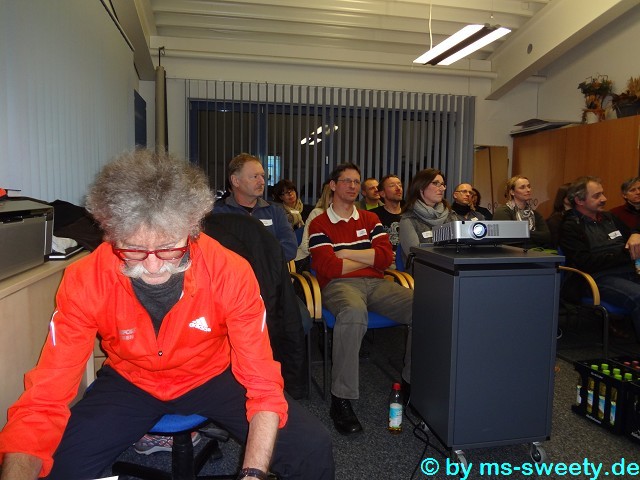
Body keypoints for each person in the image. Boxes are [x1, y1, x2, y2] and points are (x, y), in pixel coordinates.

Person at [0, 150, 334, 480]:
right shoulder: (86, 279)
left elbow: (262, 383)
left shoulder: (229, 271)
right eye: (133, 249)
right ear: (111, 234)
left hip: (213, 375)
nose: (152, 266)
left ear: (192, 229)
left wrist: (252, 473)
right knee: (55, 466)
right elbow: (46, 395)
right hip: (132, 379)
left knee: (311, 449)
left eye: (169, 248)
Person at [308, 163, 413, 436]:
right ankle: (340, 399)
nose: (353, 186)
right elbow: (329, 268)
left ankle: (411, 383)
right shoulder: (320, 223)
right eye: (346, 181)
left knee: (423, 307)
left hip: (377, 283)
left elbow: (386, 258)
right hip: (339, 285)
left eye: (356, 181)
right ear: (333, 185)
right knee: (353, 313)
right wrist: (368, 258)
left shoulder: (369, 218)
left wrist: (345, 253)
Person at [560, 176, 640, 340]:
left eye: (602, 194)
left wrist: (635, 234)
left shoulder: (609, 218)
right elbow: (586, 263)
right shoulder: (571, 227)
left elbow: (631, 235)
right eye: (597, 196)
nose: (604, 199)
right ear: (580, 201)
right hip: (598, 278)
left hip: (630, 271)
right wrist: (624, 255)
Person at [213, 153, 297, 261]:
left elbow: (289, 249)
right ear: (235, 181)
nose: (262, 182)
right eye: (255, 176)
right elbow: (216, 254)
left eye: (262, 176)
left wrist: (254, 259)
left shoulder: (275, 212)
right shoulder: (218, 214)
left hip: (268, 272)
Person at [399, 168, 451, 266]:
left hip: (451, 268)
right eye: (436, 183)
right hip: (423, 271)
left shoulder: (451, 215)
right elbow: (415, 258)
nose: (442, 188)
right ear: (421, 187)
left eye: (443, 184)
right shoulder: (408, 220)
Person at [493, 175, 552, 249]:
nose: (528, 190)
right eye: (522, 187)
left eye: (529, 186)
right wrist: (534, 236)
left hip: (535, 252)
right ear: (512, 192)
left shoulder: (535, 214)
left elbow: (546, 237)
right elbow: (507, 238)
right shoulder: (503, 212)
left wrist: (521, 232)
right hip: (512, 254)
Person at [294, 182, 332, 272]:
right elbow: (305, 245)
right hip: (308, 260)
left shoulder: (346, 216)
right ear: (330, 199)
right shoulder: (317, 213)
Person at [371, 174, 403, 261]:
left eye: (400, 185)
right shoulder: (373, 216)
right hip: (384, 262)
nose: (398, 188)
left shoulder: (410, 214)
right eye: (392, 186)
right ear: (382, 193)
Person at [546, 182, 572, 249]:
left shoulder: (578, 215)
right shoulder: (555, 219)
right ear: (563, 196)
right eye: (571, 194)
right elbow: (555, 243)